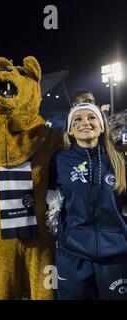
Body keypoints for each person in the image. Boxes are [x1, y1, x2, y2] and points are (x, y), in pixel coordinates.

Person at [49, 103, 127, 300]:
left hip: (116, 255)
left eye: (92, 118)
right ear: (70, 130)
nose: (85, 122)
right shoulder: (59, 160)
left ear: (101, 126)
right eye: (78, 119)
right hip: (73, 255)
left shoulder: (119, 160)